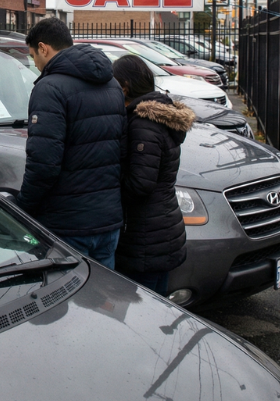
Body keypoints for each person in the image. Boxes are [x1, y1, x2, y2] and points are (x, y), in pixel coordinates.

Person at [16, 18, 127, 269]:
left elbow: (44, 163)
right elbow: (122, 151)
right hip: (109, 221)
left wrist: (23, 208)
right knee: (101, 301)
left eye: (33, 56)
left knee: (68, 301)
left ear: (44, 48)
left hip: (68, 224)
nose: (35, 64)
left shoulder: (49, 88)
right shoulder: (111, 83)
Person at [112, 54, 195, 295]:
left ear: (125, 86)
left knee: (144, 310)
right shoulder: (160, 116)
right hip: (163, 227)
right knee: (159, 306)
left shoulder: (142, 124)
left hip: (146, 236)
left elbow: (140, 184)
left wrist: (109, 183)